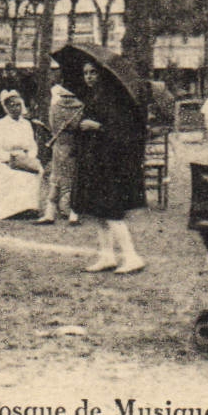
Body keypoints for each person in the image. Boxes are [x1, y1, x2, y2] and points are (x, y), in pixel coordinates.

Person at [73, 60, 147, 274]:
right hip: (95, 162)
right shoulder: (91, 98)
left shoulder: (115, 100)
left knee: (113, 212)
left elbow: (126, 132)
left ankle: (132, 256)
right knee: (98, 212)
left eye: (93, 72)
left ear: (102, 74)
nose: (88, 77)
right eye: (85, 73)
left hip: (112, 165)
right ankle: (107, 256)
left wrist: (98, 126)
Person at [0, 90, 43, 220]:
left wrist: (29, 157)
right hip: (4, 159)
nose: (16, 108)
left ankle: (29, 207)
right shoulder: (0, 125)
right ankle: (12, 210)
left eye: (18, 105)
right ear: (6, 107)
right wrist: (10, 159)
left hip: (23, 158)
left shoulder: (26, 124)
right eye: (12, 105)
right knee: (9, 174)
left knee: (34, 171)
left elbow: (32, 145)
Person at [37, 84, 82, 225]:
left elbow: (52, 126)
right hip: (74, 146)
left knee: (55, 180)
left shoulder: (55, 107)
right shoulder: (81, 107)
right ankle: (72, 214)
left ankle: (50, 213)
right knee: (72, 179)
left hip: (58, 146)